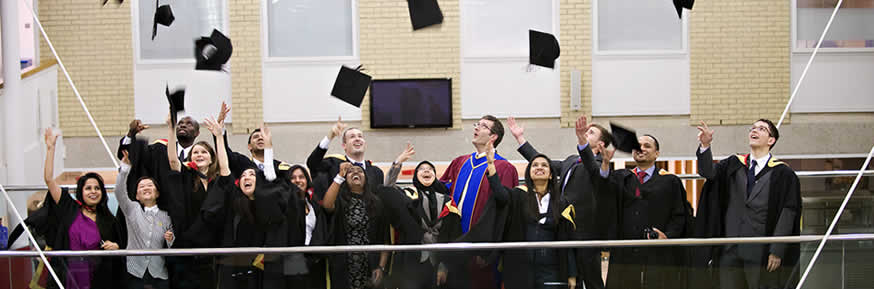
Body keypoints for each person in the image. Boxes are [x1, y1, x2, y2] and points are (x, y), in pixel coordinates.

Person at [694, 119, 801, 289]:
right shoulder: (733, 164)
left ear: (771, 140)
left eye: (761, 129)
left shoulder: (783, 173)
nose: (754, 131)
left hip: (761, 252)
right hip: (729, 249)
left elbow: (788, 213)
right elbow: (708, 173)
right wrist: (705, 145)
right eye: (753, 128)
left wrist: (777, 250)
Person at [508, 115, 613, 289]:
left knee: (592, 279)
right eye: (586, 131)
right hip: (563, 230)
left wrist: (582, 142)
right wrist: (520, 138)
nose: (586, 132)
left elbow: (593, 169)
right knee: (570, 279)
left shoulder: (601, 165)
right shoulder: (571, 161)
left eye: (591, 132)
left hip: (585, 233)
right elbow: (541, 161)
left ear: (601, 144)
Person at [598, 134, 689, 289]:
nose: (641, 149)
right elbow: (602, 189)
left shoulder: (670, 181)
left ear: (657, 154)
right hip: (625, 251)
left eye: (647, 146)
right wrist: (605, 163)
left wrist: (668, 236)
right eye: (637, 145)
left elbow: (679, 215)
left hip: (657, 251)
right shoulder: (620, 177)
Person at [437, 115, 518, 289]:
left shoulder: (504, 168)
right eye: (476, 125)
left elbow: (503, 213)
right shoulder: (460, 162)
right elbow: (443, 190)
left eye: (482, 126)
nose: (476, 128)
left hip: (482, 249)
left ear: (493, 137)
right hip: (454, 244)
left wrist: (489, 250)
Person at [43, 128, 124, 289]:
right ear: (81, 191)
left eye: (97, 188)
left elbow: (120, 244)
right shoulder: (69, 207)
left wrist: (116, 247)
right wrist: (51, 148)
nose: (93, 192)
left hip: (100, 278)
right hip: (70, 275)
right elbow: (49, 180)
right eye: (88, 188)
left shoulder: (109, 219)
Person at [487, 148, 578, 289]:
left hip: (552, 270)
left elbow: (567, 240)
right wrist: (491, 164)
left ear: (551, 175)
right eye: (535, 165)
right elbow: (500, 194)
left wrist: (572, 274)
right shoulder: (518, 195)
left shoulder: (561, 203)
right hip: (521, 267)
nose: (539, 168)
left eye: (544, 165)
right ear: (529, 173)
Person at [163, 115, 222, 289]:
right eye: (195, 152)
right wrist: (172, 128)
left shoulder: (217, 183)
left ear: (212, 158)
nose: (199, 154)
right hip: (187, 248)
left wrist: (218, 135)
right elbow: (173, 161)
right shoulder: (186, 177)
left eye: (204, 152)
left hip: (211, 251)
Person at [384, 143, 451, 289]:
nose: (426, 171)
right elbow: (388, 189)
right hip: (412, 258)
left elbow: (451, 232)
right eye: (421, 169)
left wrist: (445, 264)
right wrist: (398, 162)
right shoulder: (408, 194)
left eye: (430, 169)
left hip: (437, 260)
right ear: (416, 175)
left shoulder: (446, 199)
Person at [322, 162, 391, 289]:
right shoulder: (340, 200)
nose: (355, 172)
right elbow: (327, 205)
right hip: (344, 266)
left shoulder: (376, 203)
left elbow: (385, 239)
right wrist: (340, 175)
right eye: (351, 171)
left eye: (359, 171)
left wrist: (381, 267)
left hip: (370, 265)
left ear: (365, 178)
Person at [116, 150, 175, 289]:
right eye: (141, 187)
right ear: (137, 196)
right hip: (135, 271)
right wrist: (124, 170)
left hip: (159, 272)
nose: (146, 188)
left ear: (158, 193)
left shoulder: (166, 215)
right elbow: (119, 192)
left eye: (150, 185)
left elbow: (172, 244)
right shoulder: (132, 209)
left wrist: (170, 238)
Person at [307, 117, 385, 202]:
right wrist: (330, 137)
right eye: (352, 137)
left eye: (360, 136)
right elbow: (312, 163)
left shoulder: (377, 172)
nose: (357, 139)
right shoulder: (333, 164)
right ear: (344, 146)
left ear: (365, 144)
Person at [214, 102, 292, 181]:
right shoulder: (241, 163)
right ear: (249, 146)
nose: (260, 138)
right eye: (256, 137)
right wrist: (219, 133)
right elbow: (224, 154)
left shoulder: (282, 167)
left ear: (269, 143)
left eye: (263, 137)